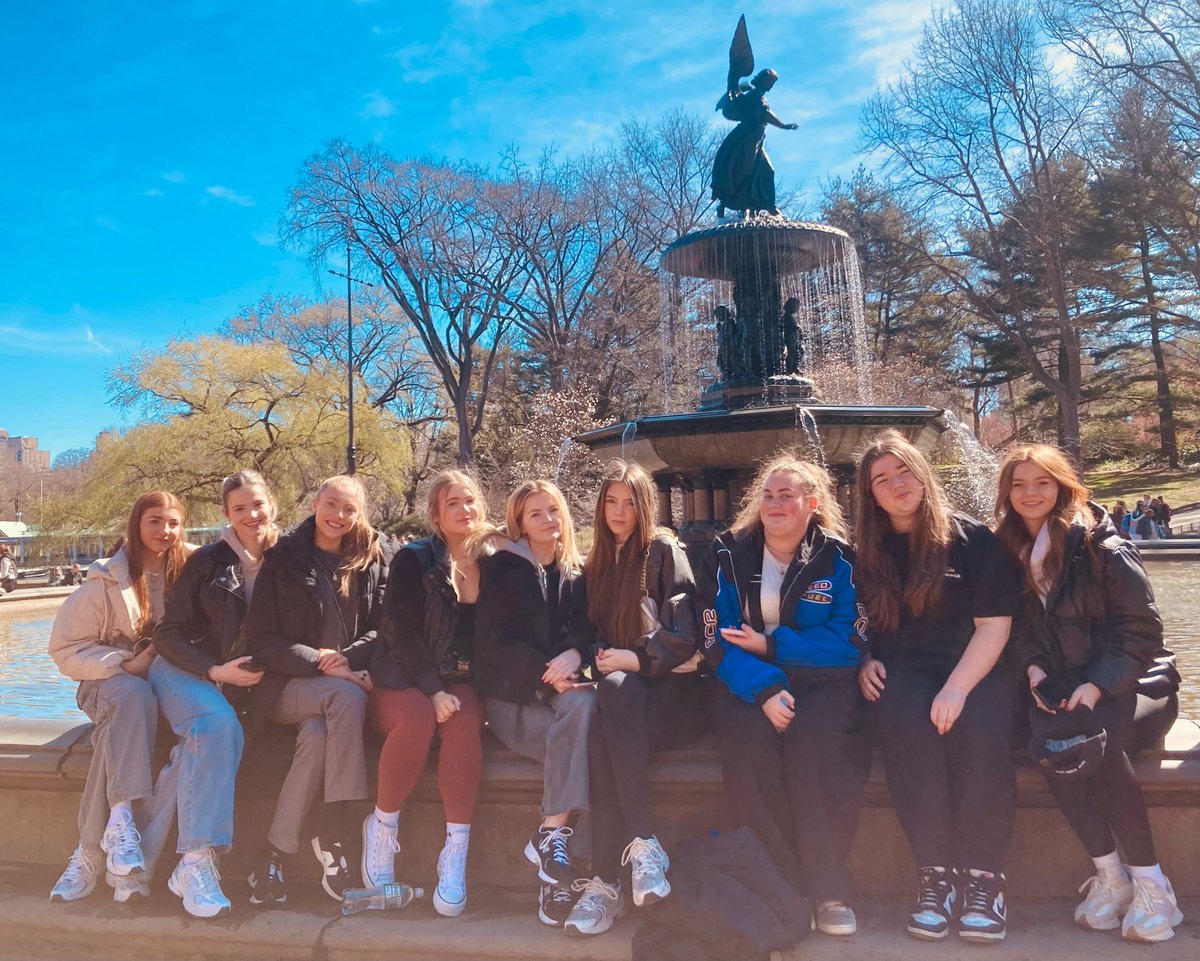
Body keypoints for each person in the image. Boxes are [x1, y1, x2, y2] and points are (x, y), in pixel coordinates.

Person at [995, 445, 1183, 943]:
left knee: (1098, 743)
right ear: (1007, 493)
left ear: (1061, 485)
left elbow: (1142, 631)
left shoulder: (1102, 546)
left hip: (1136, 682)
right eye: (1019, 484)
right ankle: (1111, 875)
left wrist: (1096, 685)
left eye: (1041, 482)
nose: (1029, 493)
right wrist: (1033, 669)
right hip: (1062, 683)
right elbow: (1019, 630)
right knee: (1052, 745)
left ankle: (1152, 881)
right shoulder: (1011, 549)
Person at [855, 431, 1018, 943]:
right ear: (872, 496)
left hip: (975, 666)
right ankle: (935, 876)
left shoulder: (973, 541)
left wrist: (956, 689)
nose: (896, 484)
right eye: (882, 479)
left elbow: (995, 625)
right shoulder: (868, 552)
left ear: (922, 475)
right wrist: (862, 660)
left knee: (979, 733)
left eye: (903, 472)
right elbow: (854, 621)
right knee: (906, 730)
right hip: (903, 669)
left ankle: (984, 879)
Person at [698, 454, 869, 937]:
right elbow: (716, 638)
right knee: (747, 748)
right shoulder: (728, 554)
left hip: (823, 683)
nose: (774, 503)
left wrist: (774, 645)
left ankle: (829, 886)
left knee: (816, 750)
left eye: (786, 495)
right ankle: (778, 882)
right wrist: (766, 687)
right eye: (768, 495)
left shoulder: (839, 558)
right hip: (746, 680)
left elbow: (849, 642)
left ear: (811, 504)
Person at [563, 460, 704, 937]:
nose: (618, 512)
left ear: (644, 506)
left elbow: (687, 636)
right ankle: (621, 869)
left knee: (614, 701)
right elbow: (588, 633)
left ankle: (617, 871)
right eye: (610, 501)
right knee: (606, 718)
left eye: (629, 502)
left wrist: (634, 660)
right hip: (625, 703)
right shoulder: (598, 560)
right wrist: (584, 658)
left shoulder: (662, 550)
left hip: (675, 697)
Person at [239, 474, 389, 906]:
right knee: (344, 697)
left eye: (349, 509)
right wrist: (322, 663)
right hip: (287, 687)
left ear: (360, 513)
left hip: (346, 681)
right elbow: (262, 640)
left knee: (319, 736)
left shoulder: (374, 558)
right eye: (331, 505)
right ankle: (335, 833)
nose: (338, 516)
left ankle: (274, 852)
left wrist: (347, 662)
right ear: (315, 503)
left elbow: (385, 629)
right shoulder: (284, 559)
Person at [47, 492, 189, 907]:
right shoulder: (105, 580)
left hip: (165, 688)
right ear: (136, 524)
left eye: (173, 522)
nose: (165, 530)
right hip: (107, 681)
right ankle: (120, 819)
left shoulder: (193, 570)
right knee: (131, 695)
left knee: (121, 730)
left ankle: (94, 851)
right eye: (154, 521)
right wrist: (125, 663)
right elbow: (64, 649)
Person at [361, 470, 491, 918]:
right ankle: (381, 829)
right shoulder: (414, 560)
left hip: (462, 681)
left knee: (465, 723)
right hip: (402, 675)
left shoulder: (494, 562)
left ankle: (454, 854)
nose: (464, 510)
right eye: (453, 503)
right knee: (418, 719)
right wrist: (433, 690)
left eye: (470, 501)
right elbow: (404, 636)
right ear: (436, 513)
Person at [149, 470, 277, 916]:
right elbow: (167, 635)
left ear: (271, 503)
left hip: (236, 682)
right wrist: (214, 669)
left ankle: (148, 863)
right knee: (217, 726)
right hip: (183, 669)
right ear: (226, 514)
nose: (251, 515)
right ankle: (196, 861)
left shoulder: (288, 558)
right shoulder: (207, 561)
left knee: (212, 742)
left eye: (257, 504)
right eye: (239, 509)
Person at [476, 479, 595, 928]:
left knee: (585, 713)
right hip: (513, 699)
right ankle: (560, 882)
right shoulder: (502, 569)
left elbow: (586, 630)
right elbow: (490, 644)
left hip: (563, 694)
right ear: (519, 523)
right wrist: (548, 675)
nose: (548, 520)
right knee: (585, 754)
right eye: (535, 514)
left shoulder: (576, 572)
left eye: (553, 510)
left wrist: (576, 655)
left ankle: (549, 837)